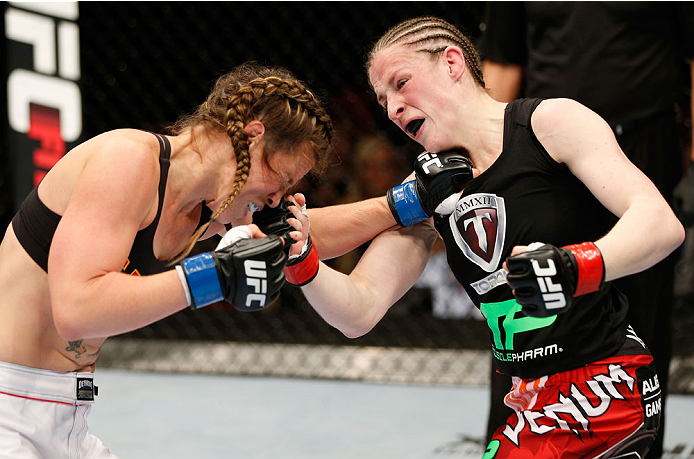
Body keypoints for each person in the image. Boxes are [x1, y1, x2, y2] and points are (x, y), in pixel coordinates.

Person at [260, 16, 684, 458]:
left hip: (604, 382)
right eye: (384, 99)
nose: (393, 108)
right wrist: (306, 262)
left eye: (401, 83)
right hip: (530, 401)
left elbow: (659, 223)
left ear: (452, 63)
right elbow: (359, 310)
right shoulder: (430, 189)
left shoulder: (548, 125)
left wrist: (576, 265)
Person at [0, 62, 333, 458]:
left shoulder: (202, 210)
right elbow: (75, 310)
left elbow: (309, 234)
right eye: (283, 177)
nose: (278, 197)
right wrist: (213, 274)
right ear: (253, 137)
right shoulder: (127, 160)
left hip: (67, 418)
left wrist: (398, 207)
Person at [478, 4, 694, 455]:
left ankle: (637, 448)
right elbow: (502, 62)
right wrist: (487, 165)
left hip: (641, 144)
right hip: (545, 160)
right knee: (529, 318)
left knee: (643, 311)